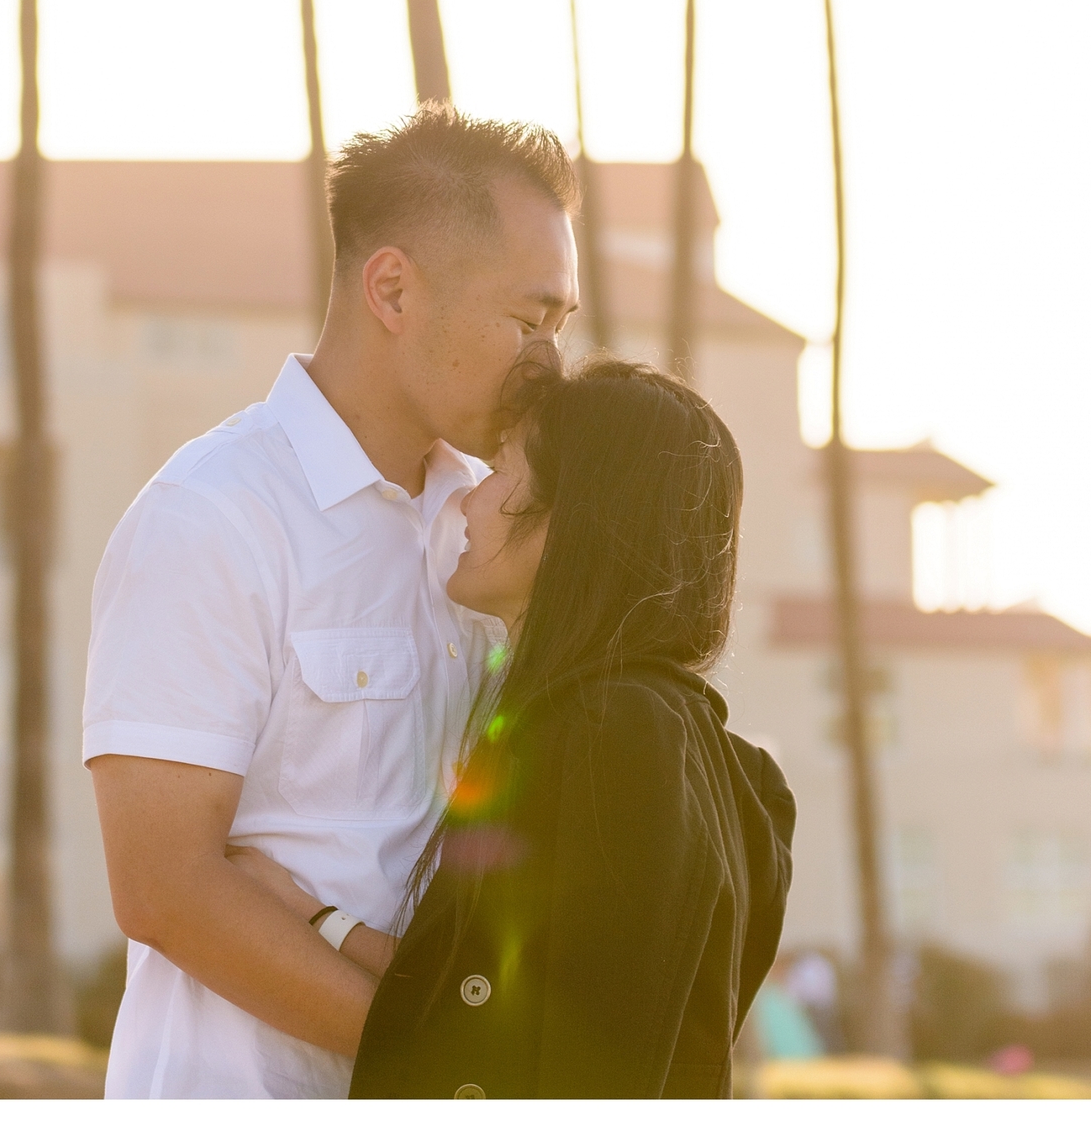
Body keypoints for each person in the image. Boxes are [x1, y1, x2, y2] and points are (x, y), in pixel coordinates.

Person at [84, 107, 580, 1098]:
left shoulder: (492, 528)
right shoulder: (211, 516)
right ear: (392, 287)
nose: (547, 366)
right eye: (527, 322)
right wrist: (438, 1061)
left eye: (558, 328)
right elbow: (162, 884)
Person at [227, 356, 796, 1096]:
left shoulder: (617, 732)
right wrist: (308, 914)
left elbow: (579, 1061)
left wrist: (298, 911)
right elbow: (502, 1000)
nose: (468, 501)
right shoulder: (710, 762)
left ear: (580, 512)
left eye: (499, 472)